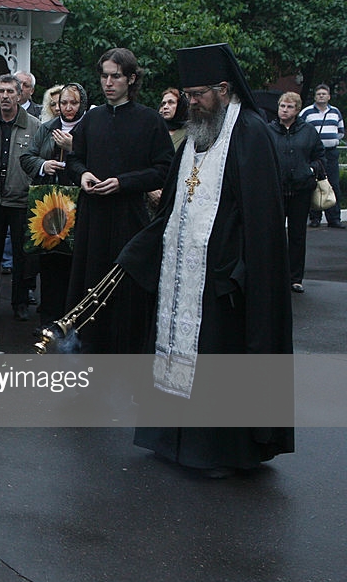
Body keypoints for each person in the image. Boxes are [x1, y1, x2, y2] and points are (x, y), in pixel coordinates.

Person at [118, 43, 294, 476]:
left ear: (224, 89)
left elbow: (262, 222)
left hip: (225, 279)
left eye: (198, 95)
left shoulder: (250, 134)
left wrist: (239, 269)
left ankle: (219, 452)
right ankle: (170, 441)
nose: (191, 103)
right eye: (188, 94)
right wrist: (139, 251)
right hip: (181, 272)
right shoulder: (195, 135)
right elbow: (173, 205)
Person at [65, 48, 173, 353]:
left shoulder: (150, 120)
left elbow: (165, 169)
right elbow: (75, 159)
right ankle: (87, 349)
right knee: (89, 281)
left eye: (116, 76)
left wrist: (123, 183)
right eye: (104, 76)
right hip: (93, 217)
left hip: (129, 217)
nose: (108, 83)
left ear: (131, 78)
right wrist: (83, 174)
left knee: (125, 290)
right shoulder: (92, 118)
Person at [0, 73, 41, 321]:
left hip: (21, 199)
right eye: (1, 91)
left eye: (10, 91)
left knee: (23, 256)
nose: (5, 96)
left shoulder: (34, 125)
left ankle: (20, 303)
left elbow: (40, 160)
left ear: (20, 95)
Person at [20, 82, 88, 323]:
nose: (68, 108)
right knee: (49, 260)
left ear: (82, 104)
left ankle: (72, 320)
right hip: (49, 202)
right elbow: (26, 157)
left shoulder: (90, 127)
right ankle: (48, 320)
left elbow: (99, 160)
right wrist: (43, 165)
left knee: (74, 261)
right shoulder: (47, 128)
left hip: (79, 202)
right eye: (63, 103)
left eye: (73, 103)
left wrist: (72, 147)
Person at [269, 91, 325, 294]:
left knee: (297, 235)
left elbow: (320, 157)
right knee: (274, 235)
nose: (284, 110)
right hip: (275, 191)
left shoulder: (308, 131)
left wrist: (308, 170)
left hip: (301, 190)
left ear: (297, 110)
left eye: (289, 107)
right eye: (282, 106)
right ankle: (274, 276)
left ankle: (295, 278)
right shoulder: (268, 130)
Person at [302, 84, 345, 228]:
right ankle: (315, 218)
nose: (321, 96)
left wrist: (331, 141)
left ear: (329, 96)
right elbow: (300, 129)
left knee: (333, 184)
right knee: (315, 184)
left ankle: (334, 218)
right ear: (315, 96)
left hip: (331, 153)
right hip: (314, 153)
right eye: (319, 94)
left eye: (324, 94)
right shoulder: (307, 112)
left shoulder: (335, 112)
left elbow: (340, 131)